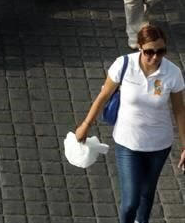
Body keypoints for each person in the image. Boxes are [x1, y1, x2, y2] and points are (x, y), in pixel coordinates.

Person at [75, 23, 185, 223]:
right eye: (149, 52)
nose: (155, 57)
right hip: (128, 143)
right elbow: (103, 96)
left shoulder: (173, 73)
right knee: (130, 202)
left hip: (159, 145)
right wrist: (85, 124)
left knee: (147, 194)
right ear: (139, 48)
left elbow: (179, 110)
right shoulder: (123, 65)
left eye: (161, 51)